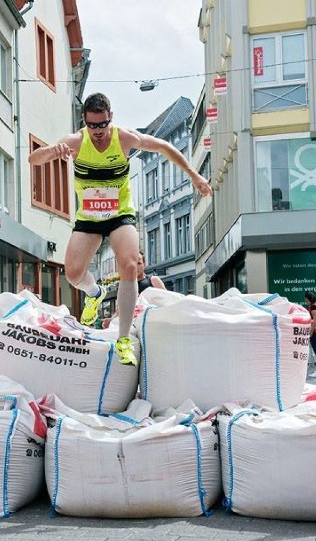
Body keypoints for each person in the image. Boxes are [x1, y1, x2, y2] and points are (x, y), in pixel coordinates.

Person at [28, 92, 211, 365]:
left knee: (128, 265)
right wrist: (54, 151)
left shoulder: (123, 138)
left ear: (110, 118)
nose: (98, 132)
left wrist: (194, 175)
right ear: (84, 121)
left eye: (102, 125)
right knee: (73, 274)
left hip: (120, 215)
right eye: (92, 126)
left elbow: (163, 147)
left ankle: (124, 338)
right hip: (89, 218)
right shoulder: (76, 141)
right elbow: (34, 159)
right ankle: (94, 294)